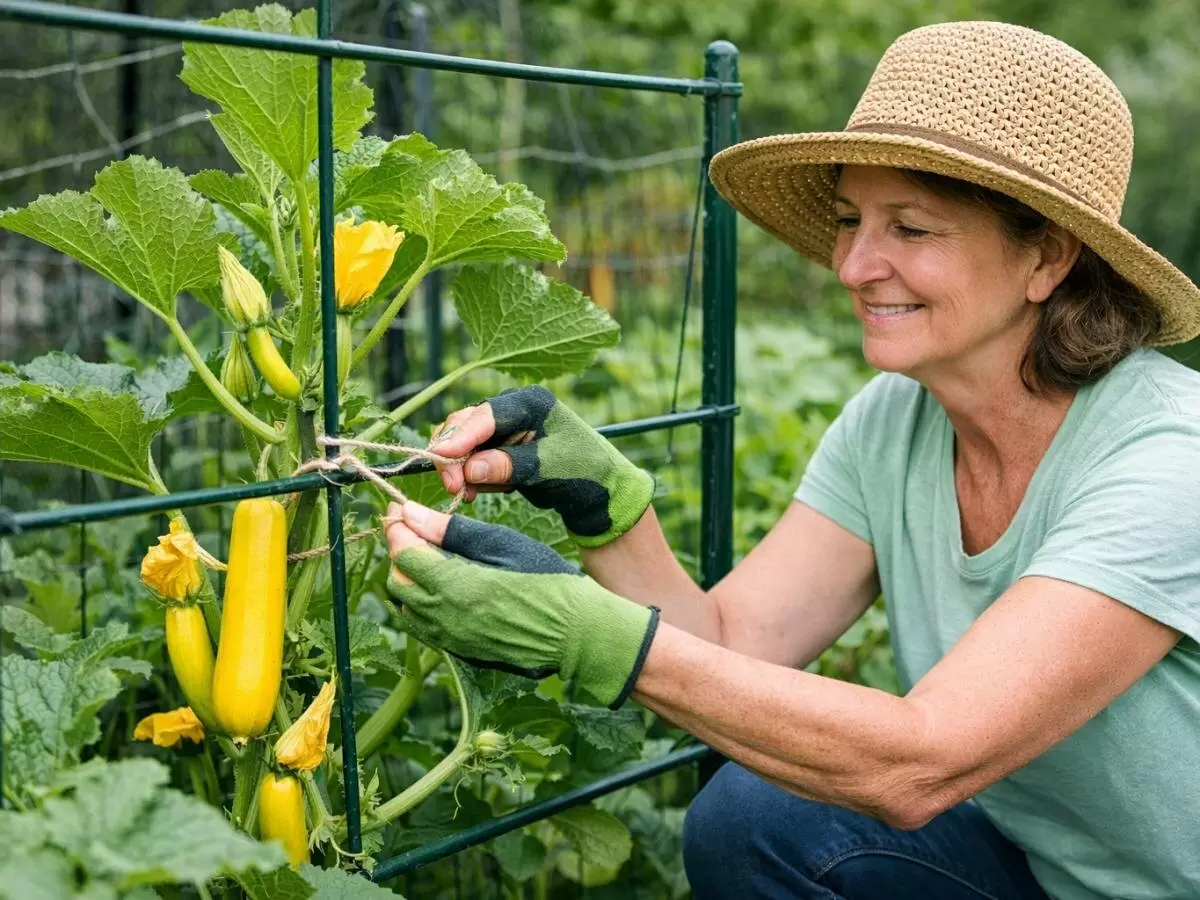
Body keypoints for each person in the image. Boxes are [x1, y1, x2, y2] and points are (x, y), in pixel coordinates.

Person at [383, 20, 1200, 900]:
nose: (852, 265)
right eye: (850, 220)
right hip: (1039, 869)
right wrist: (607, 506)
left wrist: (580, 631)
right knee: (754, 817)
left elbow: (922, 760)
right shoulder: (896, 420)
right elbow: (731, 646)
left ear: (1045, 255)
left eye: (912, 229)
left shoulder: (1166, 459)